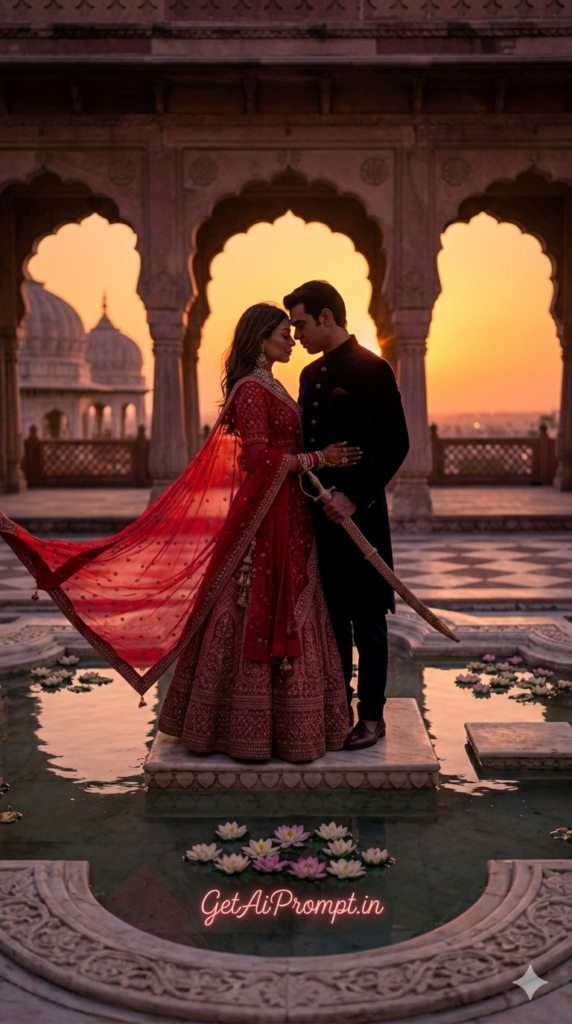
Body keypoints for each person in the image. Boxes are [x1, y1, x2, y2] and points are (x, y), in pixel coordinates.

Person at [0, 303, 358, 764]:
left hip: (288, 519)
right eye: (283, 334)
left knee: (291, 604)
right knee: (253, 607)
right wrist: (317, 460)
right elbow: (257, 460)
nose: (292, 341)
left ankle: (290, 726)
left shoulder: (271, 384)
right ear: (261, 339)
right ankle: (243, 730)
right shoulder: (251, 389)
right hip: (265, 523)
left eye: (293, 333)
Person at [284, 281, 410, 751]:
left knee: (367, 619)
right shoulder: (311, 375)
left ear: (326, 317)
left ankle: (371, 718)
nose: (296, 334)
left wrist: (353, 497)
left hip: (361, 519)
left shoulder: (371, 368)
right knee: (331, 617)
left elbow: (395, 444)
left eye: (300, 324)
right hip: (320, 519)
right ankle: (338, 710)